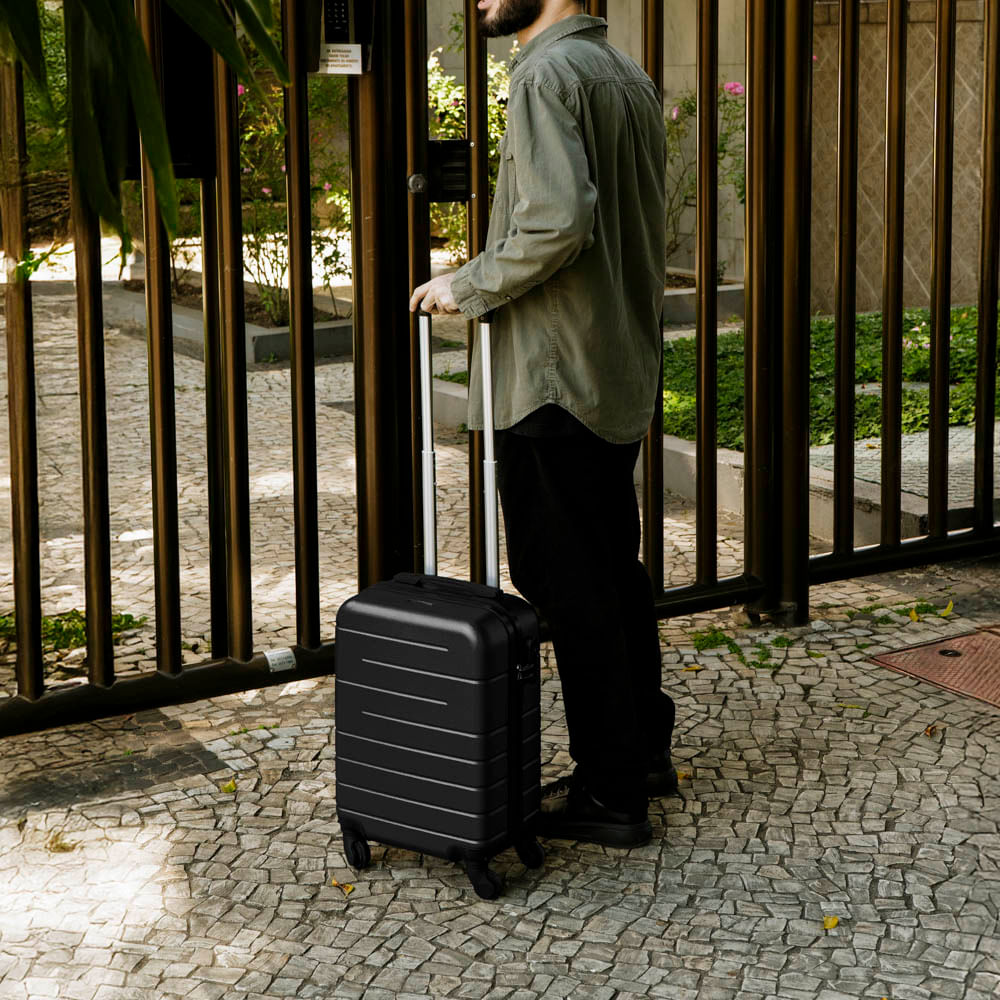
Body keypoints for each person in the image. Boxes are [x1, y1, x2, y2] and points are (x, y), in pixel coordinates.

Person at [409, 0, 676, 849]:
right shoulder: (622, 72)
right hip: (612, 363)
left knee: (567, 581)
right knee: (613, 571)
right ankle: (641, 753)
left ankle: (612, 792)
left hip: (554, 376)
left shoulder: (546, 74)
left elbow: (558, 219)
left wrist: (467, 284)